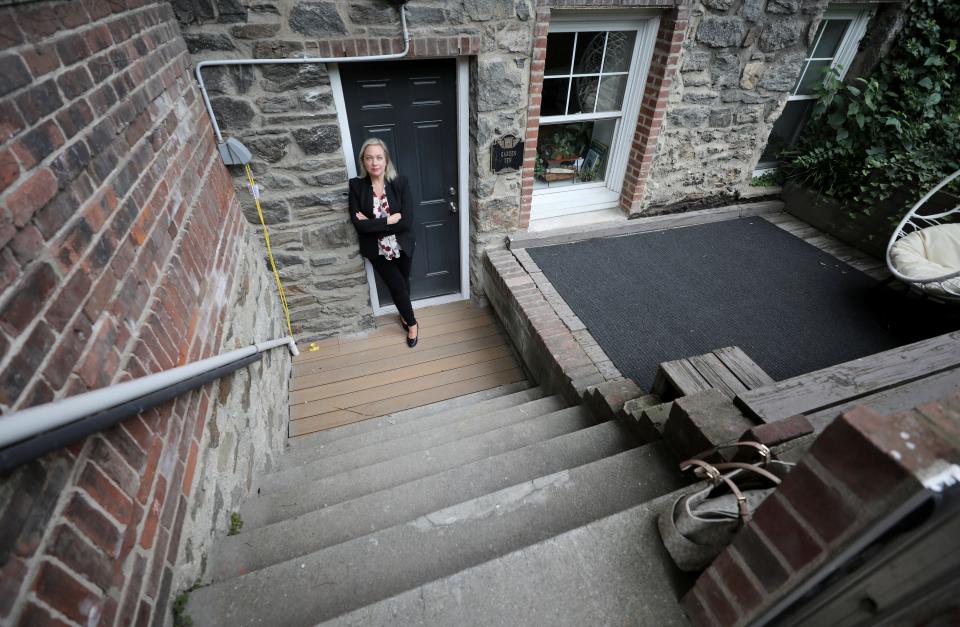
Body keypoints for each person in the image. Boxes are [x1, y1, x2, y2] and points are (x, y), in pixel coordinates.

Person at [348, 138, 419, 347]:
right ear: (363, 161)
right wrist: (388, 220)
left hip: (402, 245)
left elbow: (406, 222)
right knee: (397, 286)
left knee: (404, 282)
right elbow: (358, 225)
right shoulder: (356, 186)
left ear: (386, 160)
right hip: (377, 250)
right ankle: (413, 324)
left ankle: (405, 314)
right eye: (369, 158)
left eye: (379, 157)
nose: (374, 162)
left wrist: (373, 223)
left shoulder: (400, 183)